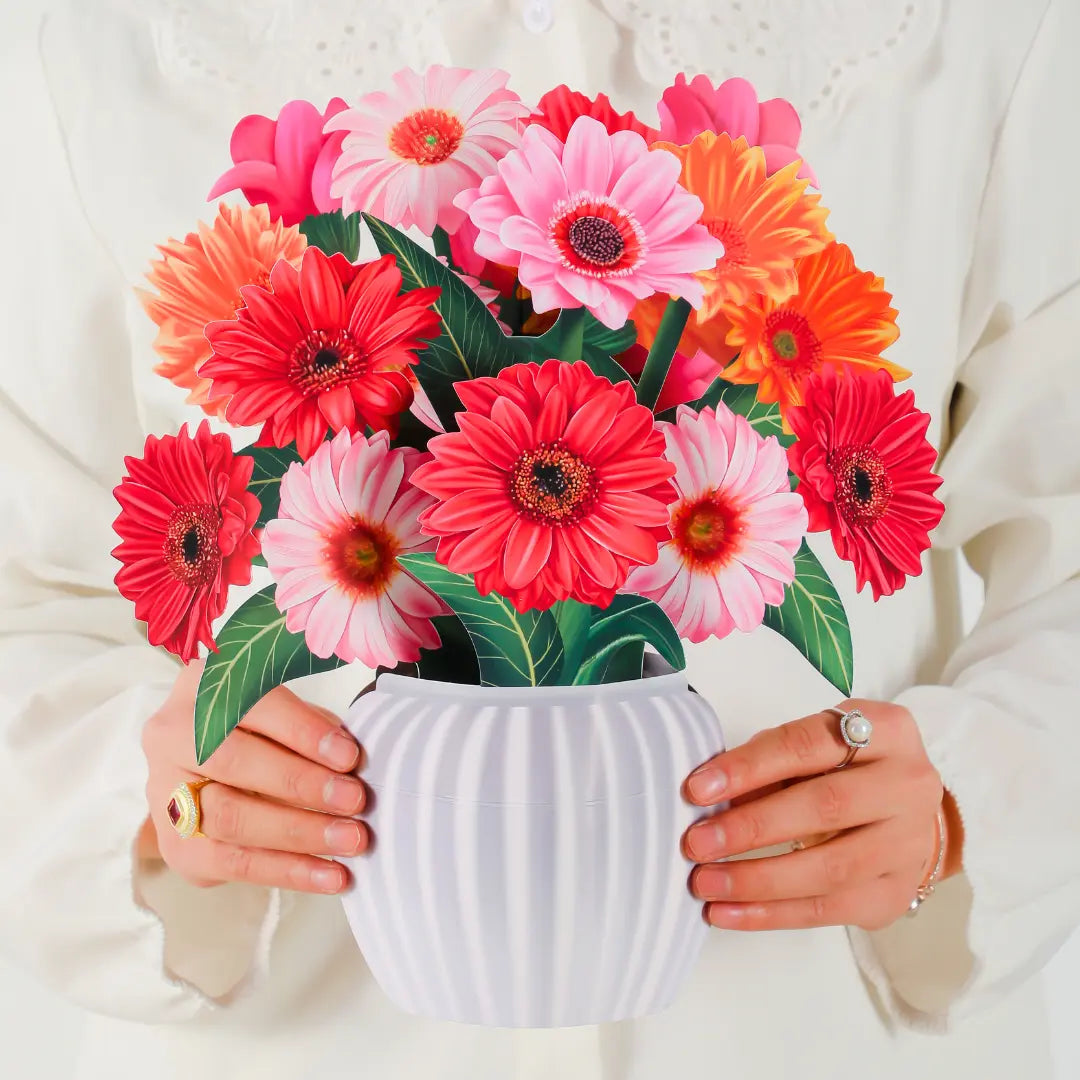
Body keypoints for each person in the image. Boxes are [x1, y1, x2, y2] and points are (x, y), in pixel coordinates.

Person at [1, 0, 1078, 1077]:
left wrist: (963, 806)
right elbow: (29, 602)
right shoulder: (97, 48)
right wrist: (144, 794)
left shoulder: (988, 32)